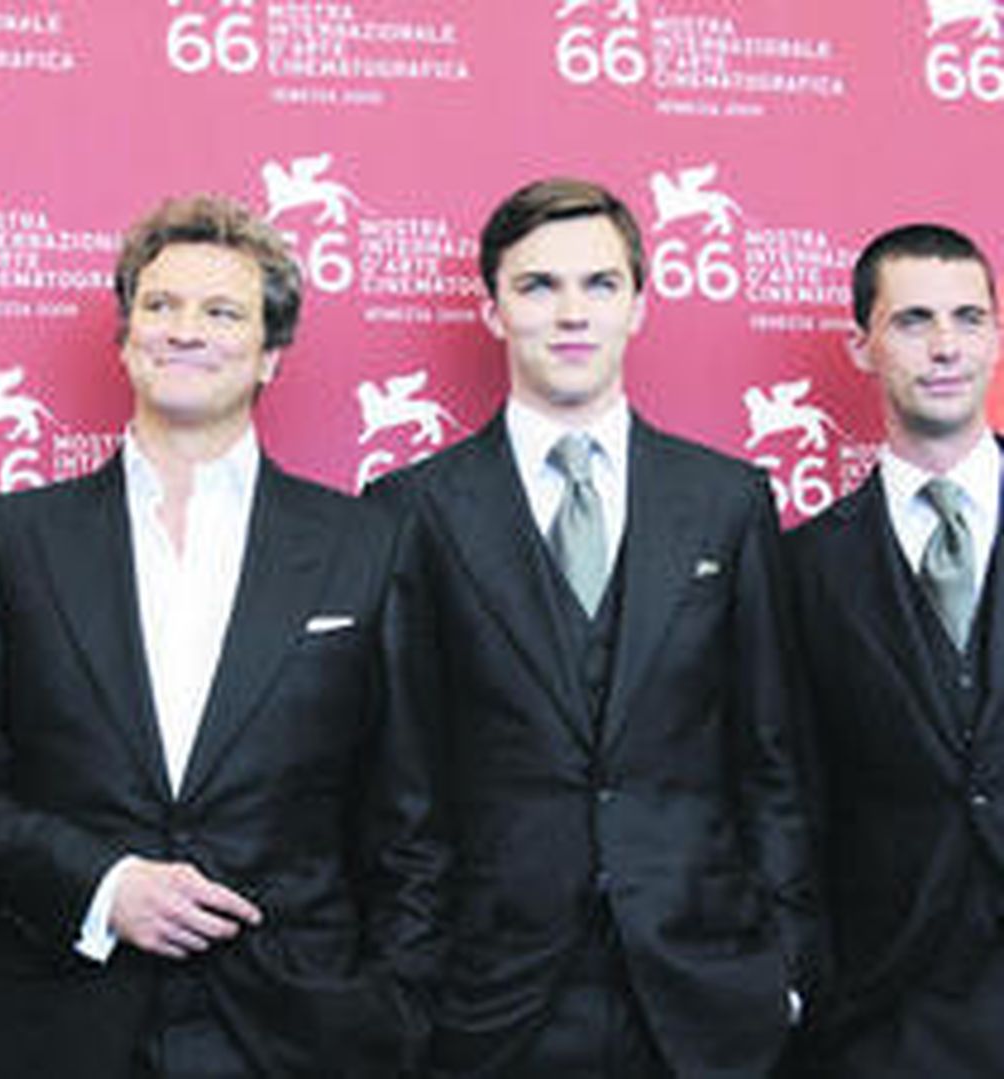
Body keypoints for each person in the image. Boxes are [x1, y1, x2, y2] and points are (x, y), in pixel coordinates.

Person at [0, 194, 441, 1077]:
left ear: (270, 353)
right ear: (125, 338)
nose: (185, 329)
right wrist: (102, 885)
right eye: (161, 305)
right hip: (57, 1021)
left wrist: (394, 1008)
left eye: (222, 311)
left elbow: (412, 816)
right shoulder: (9, 539)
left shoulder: (368, 545)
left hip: (296, 1027)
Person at [368, 177, 818, 1077]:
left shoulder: (727, 500)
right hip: (492, 992)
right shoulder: (411, 509)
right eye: (538, 285)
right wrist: (410, 983)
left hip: (706, 984)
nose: (571, 312)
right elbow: (402, 779)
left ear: (639, 305)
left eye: (600, 284)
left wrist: (787, 964)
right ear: (492, 309)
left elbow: (773, 754)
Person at [787, 224, 1004, 1076]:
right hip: (886, 1004)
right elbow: (787, 787)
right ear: (861, 347)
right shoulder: (804, 566)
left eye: (969, 318)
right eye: (914, 320)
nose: (946, 346)